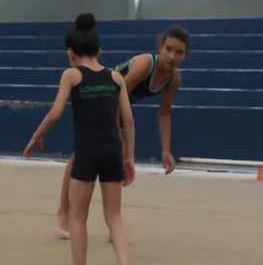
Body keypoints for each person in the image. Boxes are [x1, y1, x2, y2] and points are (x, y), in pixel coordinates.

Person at [25, 13, 139, 265]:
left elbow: (54, 114)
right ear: (100, 51)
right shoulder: (115, 77)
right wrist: (129, 158)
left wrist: (37, 137)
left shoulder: (72, 75)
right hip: (113, 149)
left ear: (70, 53)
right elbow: (128, 120)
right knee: (114, 216)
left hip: (87, 152)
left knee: (78, 217)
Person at [54, 24, 189, 237]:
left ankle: (112, 221)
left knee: (110, 159)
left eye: (179, 52)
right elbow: (116, 93)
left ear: (186, 56)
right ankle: (63, 213)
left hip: (117, 106)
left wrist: (165, 149)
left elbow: (164, 113)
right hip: (100, 95)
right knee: (84, 152)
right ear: (160, 48)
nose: (172, 56)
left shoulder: (174, 79)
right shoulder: (145, 64)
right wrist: (118, 132)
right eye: (168, 49)